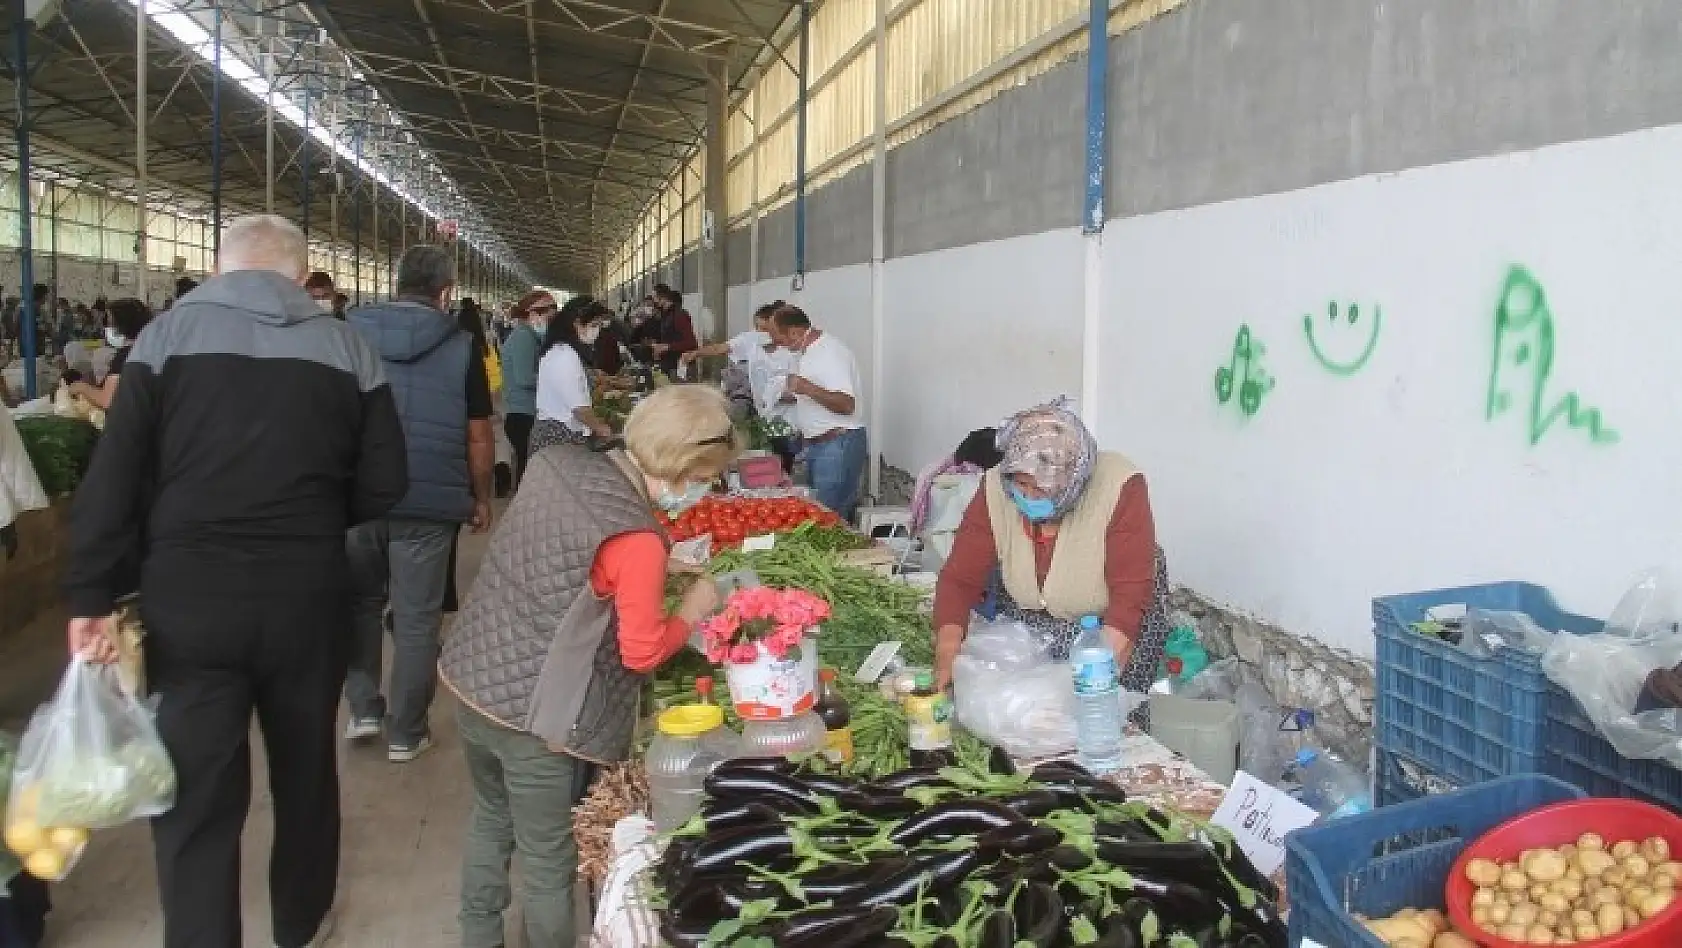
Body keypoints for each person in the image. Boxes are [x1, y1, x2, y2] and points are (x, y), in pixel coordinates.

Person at [63, 214, 408, 948]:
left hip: (188, 597)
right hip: (306, 592)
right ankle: (301, 923)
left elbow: (113, 478)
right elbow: (386, 482)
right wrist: (312, 515)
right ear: (297, 274)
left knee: (194, 787)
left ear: (221, 270)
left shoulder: (163, 340)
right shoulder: (348, 347)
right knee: (306, 768)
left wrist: (89, 596)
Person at [439, 384, 733, 948]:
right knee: (549, 862)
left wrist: (652, 568)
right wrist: (692, 611)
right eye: (701, 477)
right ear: (681, 464)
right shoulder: (637, 537)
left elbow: (566, 560)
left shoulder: (557, 465)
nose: (700, 489)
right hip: (535, 715)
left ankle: (478, 935)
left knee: (491, 817)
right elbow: (641, 652)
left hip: (476, 676)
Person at [343, 245, 495, 762]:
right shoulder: (461, 343)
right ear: (445, 291)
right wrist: (480, 498)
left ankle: (363, 708)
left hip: (356, 496)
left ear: (396, 282)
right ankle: (406, 732)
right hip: (429, 501)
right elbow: (478, 435)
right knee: (415, 620)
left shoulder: (348, 332)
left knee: (359, 606)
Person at [929, 400, 1171, 713]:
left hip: (1109, 630)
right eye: (1021, 485)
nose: (1028, 496)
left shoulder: (1119, 486)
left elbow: (1127, 606)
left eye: (1041, 489)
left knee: (1102, 717)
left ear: (1071, 483)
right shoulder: (996, 488)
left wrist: (1088, 687)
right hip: (1036, 622)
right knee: (1019, 709)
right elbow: (960, 579)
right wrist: (947, 655)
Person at [769, 304, 867, 521]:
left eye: (779, 339)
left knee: (829, 518)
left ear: (794, 332)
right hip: (819, 446)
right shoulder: (808, 353)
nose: (779, 345)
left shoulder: (830, 353)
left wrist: (806, 388)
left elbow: (846, 404)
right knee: (818, 513)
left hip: (837, 445)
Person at [531, 296, 613, 451]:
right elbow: (580, 410)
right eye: (594, 325)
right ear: (576, 324)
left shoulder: (562, 350)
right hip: (558, 438)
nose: (597, 331)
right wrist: (604, 430)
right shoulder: (564, 355)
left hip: (559, 432)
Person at [500, 290, 552, 483]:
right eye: (547, 312)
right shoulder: (524, 338)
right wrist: (553, 380)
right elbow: (524, 378)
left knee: (527, 467)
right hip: (522, 414)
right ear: (532, 313)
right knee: (528, 472)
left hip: (523, 413)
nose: (550, 316)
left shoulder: (530, 337)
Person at [68, 298, 153, 411]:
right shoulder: (151, 351)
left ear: (121, 327)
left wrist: (81, 387)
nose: (107, 329)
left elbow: (107, 400)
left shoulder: (126, 356)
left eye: (110, 324)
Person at [647, 285, 698, 377]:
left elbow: (692, 343)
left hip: (681, 368)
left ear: (663, 298)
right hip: (670, 366)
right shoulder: (665, 316)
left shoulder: (679, 315)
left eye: (654, 298)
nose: (653, 301)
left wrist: (666, 347)